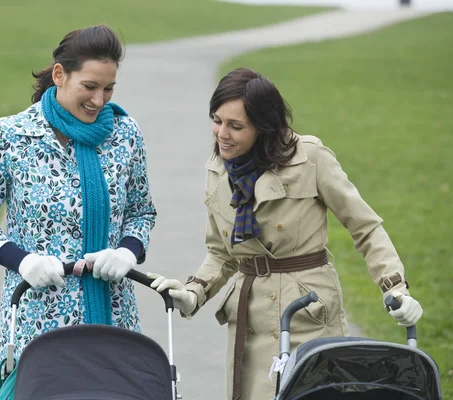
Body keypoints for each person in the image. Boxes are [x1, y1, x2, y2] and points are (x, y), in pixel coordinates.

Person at [147, 67, 423, 400]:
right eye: (217, 120)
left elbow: (364, 226)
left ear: (264, 128)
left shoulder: (310, 158)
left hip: (307, 311)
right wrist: (193, 293)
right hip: (247, 320)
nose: (222, 134)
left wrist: (395, 288)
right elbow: (222, 252)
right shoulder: (217, 168)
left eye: (236, 126)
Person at [0, 25, 157, 395]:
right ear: (59, 75)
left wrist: (127, 251)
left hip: (114, 316)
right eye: (90, 86)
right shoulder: (11, 136)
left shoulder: (126, 133)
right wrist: (23, 261)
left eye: (109, 88)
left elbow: (141, 211)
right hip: (38, 317)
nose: (100, 100)